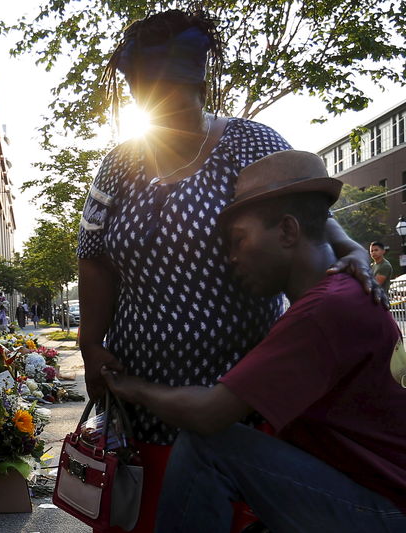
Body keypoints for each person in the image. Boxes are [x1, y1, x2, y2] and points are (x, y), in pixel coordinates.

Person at [77, 9, 379, 532]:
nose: (158, 105)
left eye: (171, 92)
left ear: (198, 84)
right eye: (143, 93)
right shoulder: (118, 163)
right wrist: (90, 343)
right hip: (140, 395)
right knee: (146, 512)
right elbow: (93, 255)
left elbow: (305, 211)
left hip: (236, 393)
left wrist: (350, 248)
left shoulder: (252, 142)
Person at [102, 150, 406, 532]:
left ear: (287, 231)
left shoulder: (321, 312)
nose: (230, 258)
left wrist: (132, 388)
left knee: (208, 447)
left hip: (384, 511)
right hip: (372, 493)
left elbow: (208, 414)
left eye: (238, 240)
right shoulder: (345, 291)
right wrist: (354, 247)